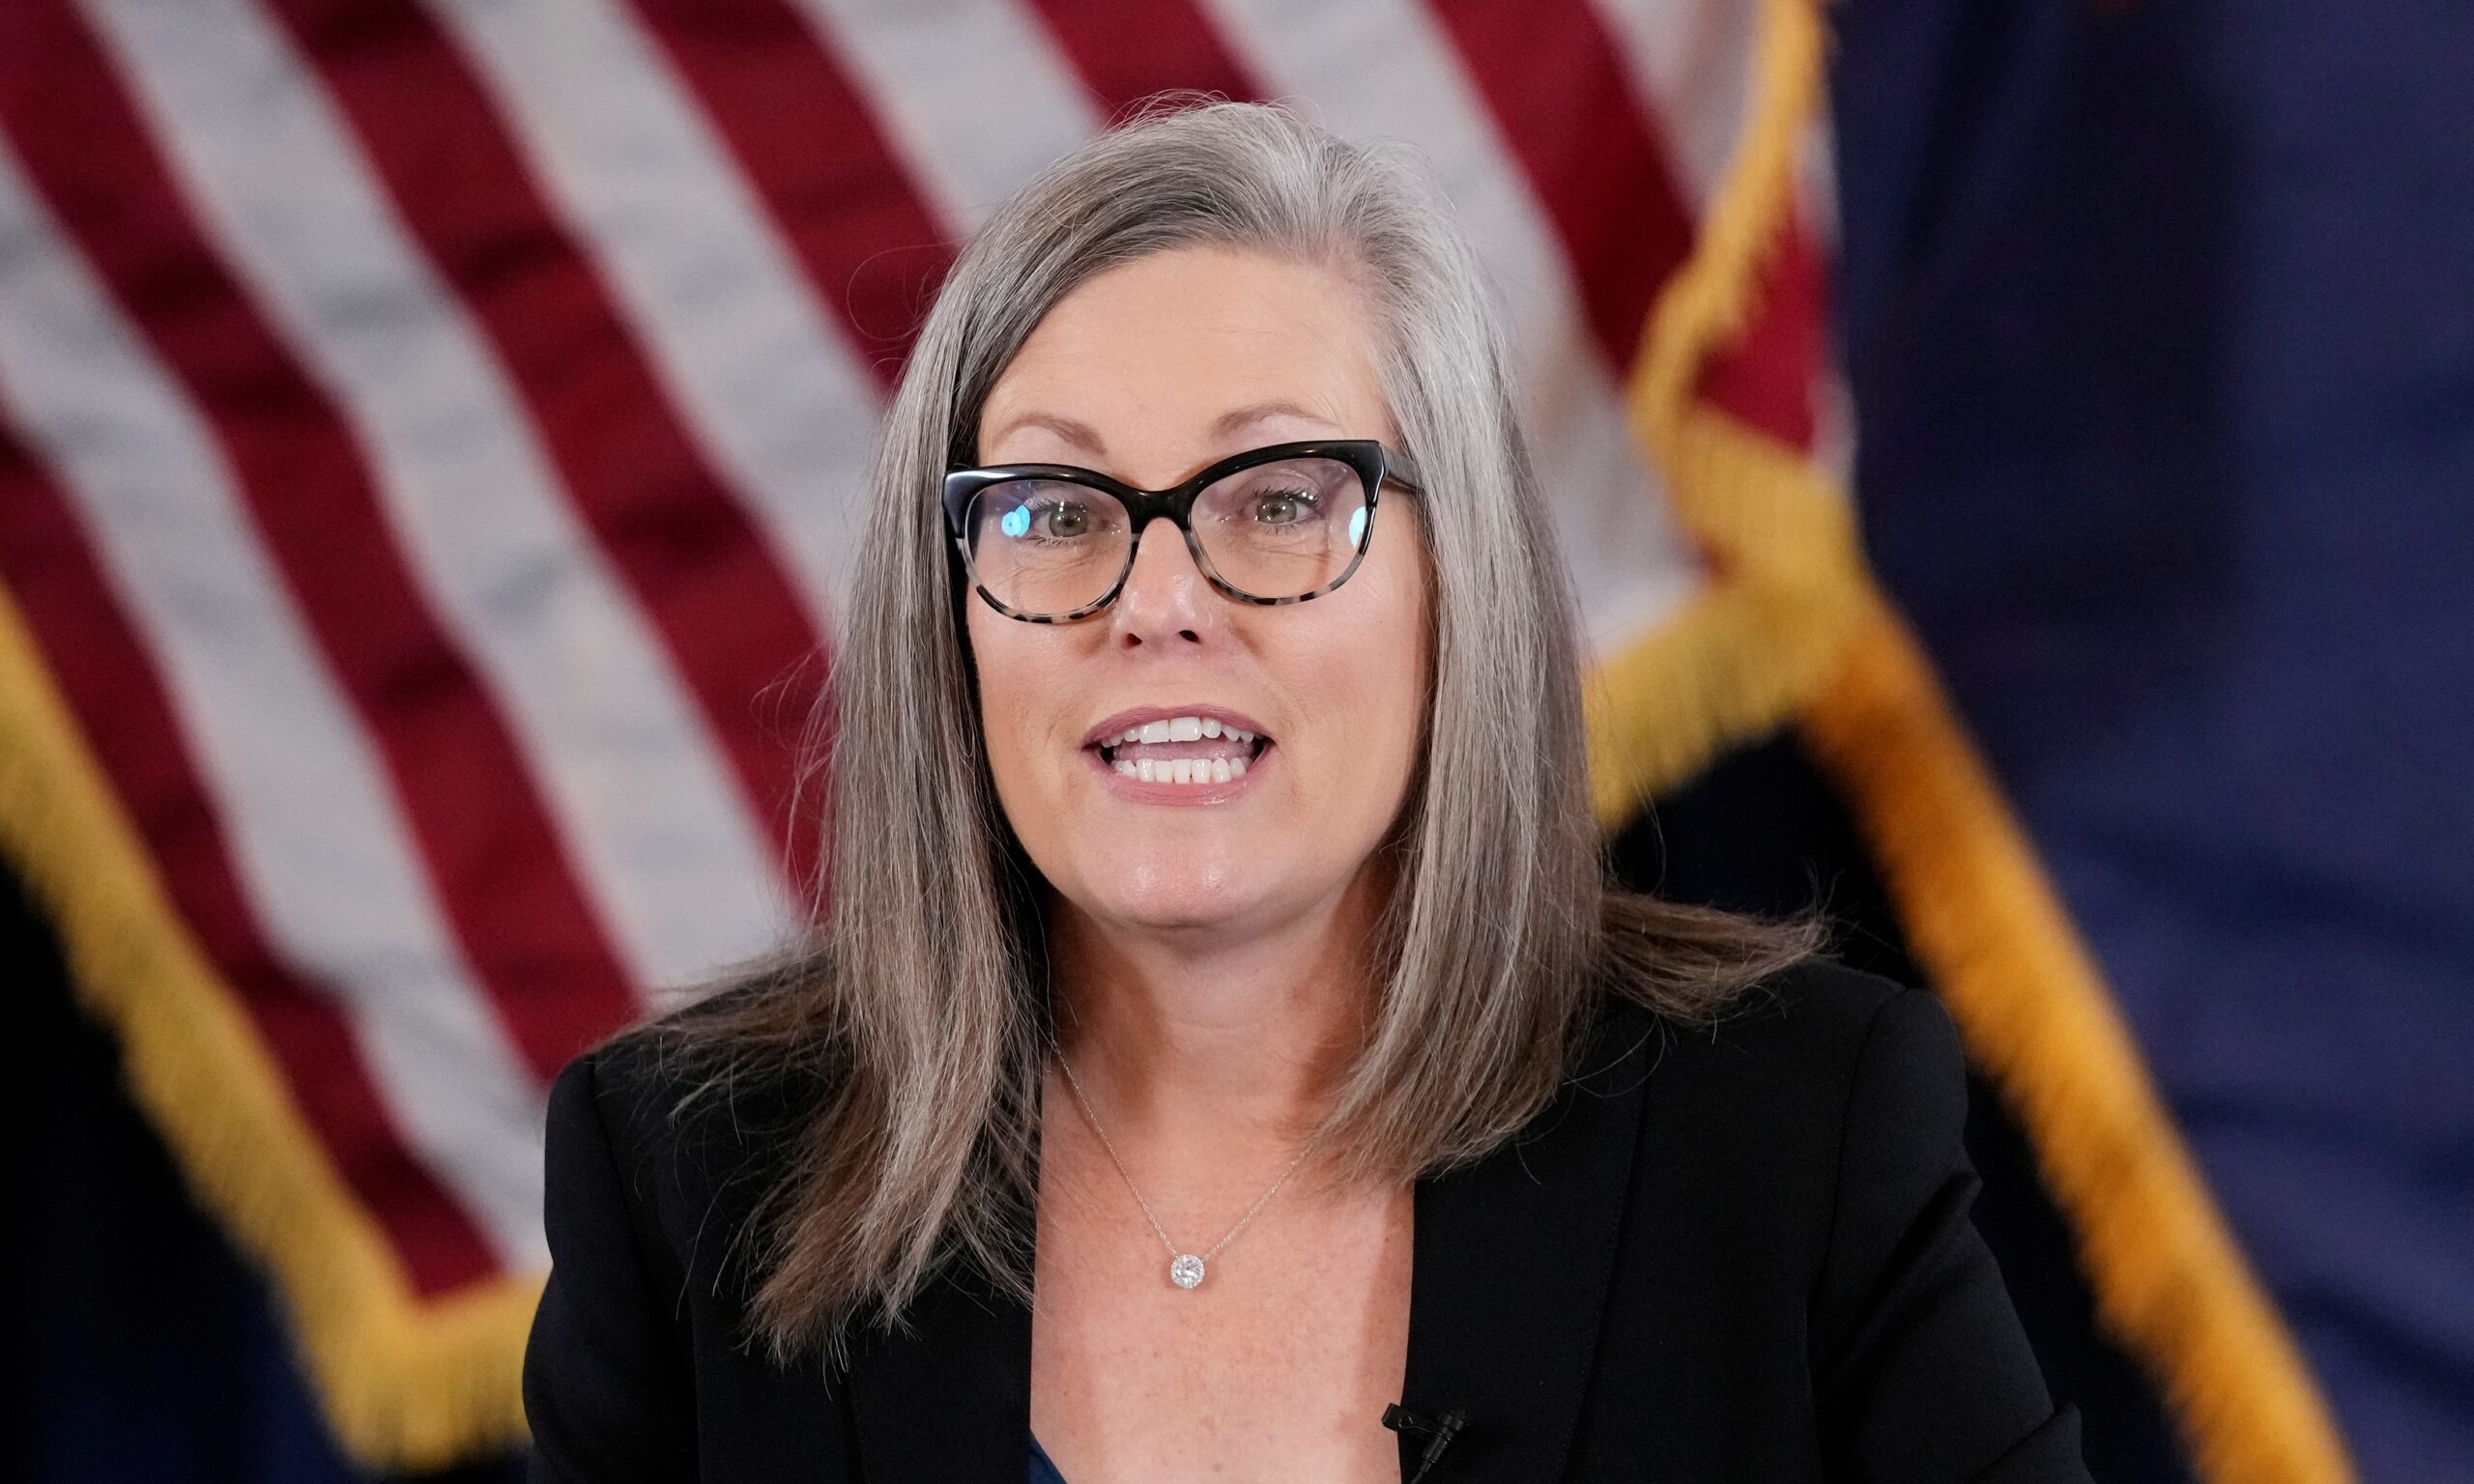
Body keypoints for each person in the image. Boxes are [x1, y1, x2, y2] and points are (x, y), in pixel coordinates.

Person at [521, 100, 2091, 1484]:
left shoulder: (1791, 1133)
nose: (1158, 601)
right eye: (1055, 507)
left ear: (1451, 585)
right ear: (948, 617)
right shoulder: (690, 1177)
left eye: (1279, 499)